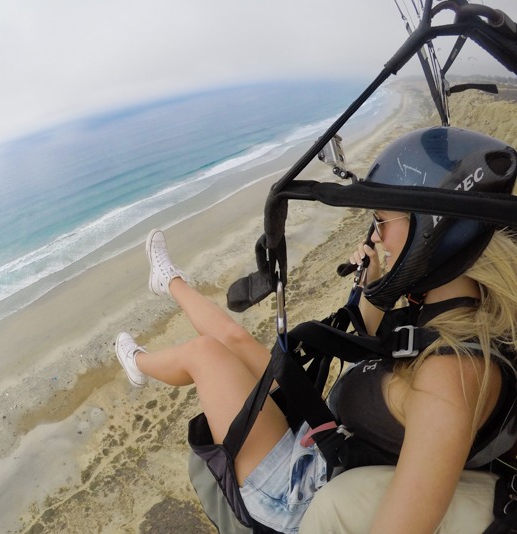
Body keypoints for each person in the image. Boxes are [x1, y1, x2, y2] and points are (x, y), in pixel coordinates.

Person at [113, 126, 517, 533]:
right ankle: (170, 282)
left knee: (206, 354)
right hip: (324, 439)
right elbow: (364, 338)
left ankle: (138, 361)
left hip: (296, 492)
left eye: (380, 222)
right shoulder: (451, 309)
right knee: (236, 341)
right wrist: (374, 283)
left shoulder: (453, 379)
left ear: (431, 232)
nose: (374, 236)